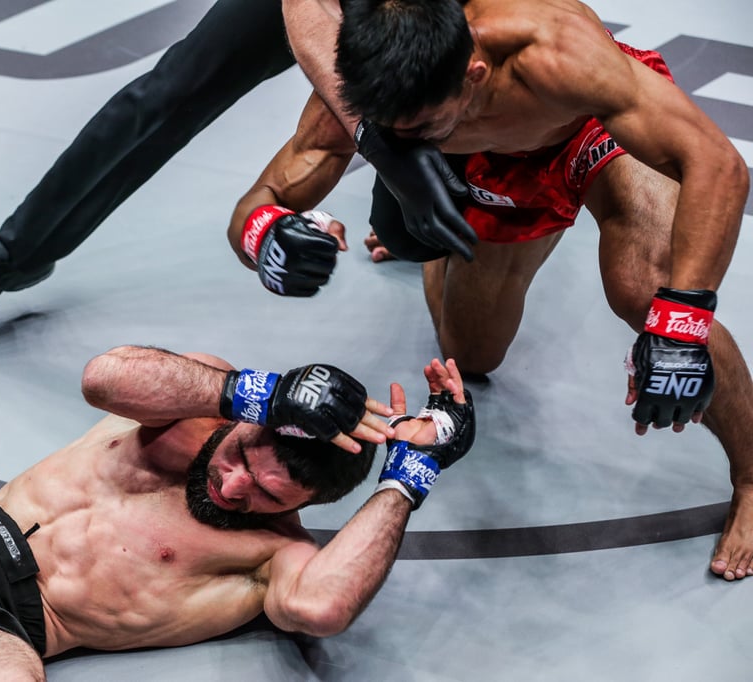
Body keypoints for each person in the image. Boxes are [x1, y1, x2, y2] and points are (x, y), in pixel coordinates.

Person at [226, 0, 752, 581]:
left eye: (421, 128)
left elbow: (717, 163)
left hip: (587, 132)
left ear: (473, 74)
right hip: (489, 170)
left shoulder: (554, 52)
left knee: (646, 291)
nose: (406, 141)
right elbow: (262, 197)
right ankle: (432, 242)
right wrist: (266, 238)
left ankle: (752, 475)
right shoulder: (369, 86)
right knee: (472, 354)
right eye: (392, 134)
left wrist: (683, 320)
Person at [0, 345, 475, 680]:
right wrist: (258, 393)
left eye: (269, 494)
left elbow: (322, 606)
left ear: (305, 506)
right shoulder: (191, 412)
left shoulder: (272, 557)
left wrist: (408, 477)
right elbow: (106, 376)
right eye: (243, 453)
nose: (236, 485)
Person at [0, 0, 467, 335]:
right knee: (166, 94)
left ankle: (416, 231)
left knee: (439, 124)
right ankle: (10, 253)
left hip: (433, 32)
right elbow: (309, 15)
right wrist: (372, 140)